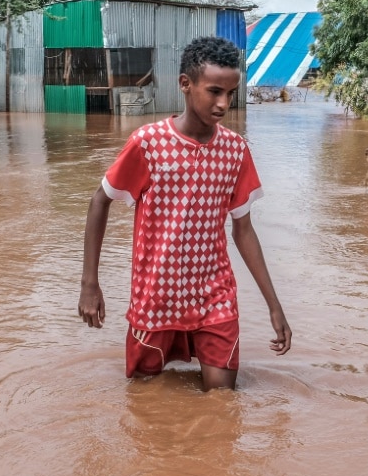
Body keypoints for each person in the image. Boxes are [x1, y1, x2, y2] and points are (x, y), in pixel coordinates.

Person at [78, 36, 292, 391]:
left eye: (231, 93)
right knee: (146, 398)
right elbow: (101, 200)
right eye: (214, 92)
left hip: (215, 295)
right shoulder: (148, 143)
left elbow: (243, 230)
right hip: (155, 295)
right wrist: (89, 284)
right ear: (185, 84)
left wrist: (274, 305)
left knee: (222, 400)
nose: (223, 104)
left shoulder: (236, 151)